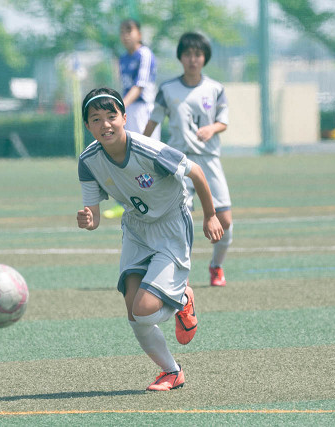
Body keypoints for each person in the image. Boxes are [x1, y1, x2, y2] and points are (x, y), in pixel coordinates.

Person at [77, 87, 224, 391]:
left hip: (171, 225)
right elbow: (94, 214)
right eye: (96, 119)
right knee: (133, 311)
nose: (105, 124)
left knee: (144, 309)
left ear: (124, 118)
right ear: (88, 126)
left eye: (111, 116)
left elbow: (196, 172)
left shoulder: (147, 149)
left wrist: (210, 216)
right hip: (136, 229)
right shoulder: (88, 160)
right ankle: (172, 371)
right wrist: (89, 220)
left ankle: (182, 299)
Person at [144, 32, 234, 287]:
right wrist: (140, 149)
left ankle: (216, 265)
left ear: (205, 57)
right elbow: (153, 121)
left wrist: (212, 129)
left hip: (209, 159)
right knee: (178, 220)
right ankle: (176, 273)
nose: (193, 59)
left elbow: (223, 121)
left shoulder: (215, 89)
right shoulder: (167, 89)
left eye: (197, 54)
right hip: (178, 162)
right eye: (187, 54)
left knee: (225, 220)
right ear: (180, 57)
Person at [102, 18, 160, 220]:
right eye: (122, 31)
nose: (125, 35)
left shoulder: (144, 54)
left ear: (139, 34)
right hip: (128, 109)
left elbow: (139, 86)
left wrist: (119, 106)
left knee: (147, 155)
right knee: (125, 154)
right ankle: (126, 201)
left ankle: (154, 198)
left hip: (143, 109)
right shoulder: (123, 58)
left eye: (129, 30)